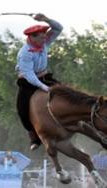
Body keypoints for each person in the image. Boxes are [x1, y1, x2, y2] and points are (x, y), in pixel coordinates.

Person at [15, 13, 63, 151]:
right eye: (41, 37)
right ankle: (34, 137)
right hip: (27, 81)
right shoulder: (25, 53)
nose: (45, 39)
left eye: (45, 36)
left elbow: (59, 28)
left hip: (45, 76)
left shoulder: (44, 42)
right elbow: (30, 75)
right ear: (32, 37)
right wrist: (44, 88)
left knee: (68, 93)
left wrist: (45, 19)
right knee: (22, 109)